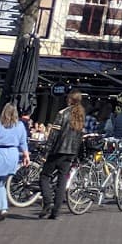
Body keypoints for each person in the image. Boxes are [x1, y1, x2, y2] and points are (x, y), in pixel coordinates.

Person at [40, 92, 87, 220]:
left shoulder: (62, 113)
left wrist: (46, 152)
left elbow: (53, 135)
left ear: (69, 100)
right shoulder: (81, 115)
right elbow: (80, 136)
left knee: (44, 176)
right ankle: (55, 212)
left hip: (58, 151)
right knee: (62, 181)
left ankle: (48, 201)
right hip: (70, 152)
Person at [0, 102, 30, 222]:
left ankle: (3, 207)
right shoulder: (20, 125)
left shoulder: (0, 125)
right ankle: (2, 207)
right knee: (1, 183)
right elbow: (23, 142)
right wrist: (26, 156)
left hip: (0, 154)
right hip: (13, 154)